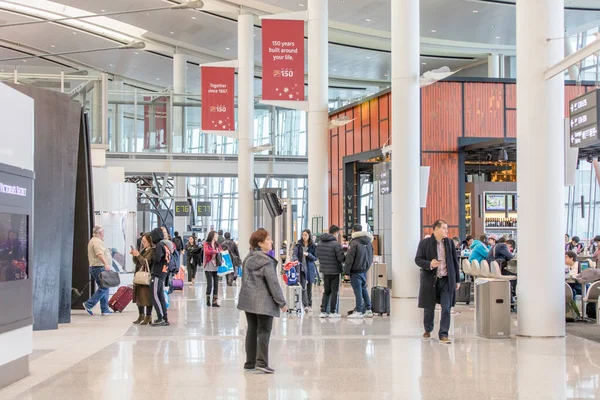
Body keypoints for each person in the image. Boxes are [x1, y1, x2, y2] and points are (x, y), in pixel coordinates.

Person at [237, 228, 287, 374]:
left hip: (248, 301)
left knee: (252, 330)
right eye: (268, 240)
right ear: (260, 243)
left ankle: (250, 362)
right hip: (263, 301)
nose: (271, 242)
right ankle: (262, 362)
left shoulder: (248, 258)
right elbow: (273, 284)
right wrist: (282, 303)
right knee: (264, 330)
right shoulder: (266, 261)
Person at [415, 220, 461, 344]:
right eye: (444, 228)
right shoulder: (425, 243)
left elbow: (454, 262)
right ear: (436, 229)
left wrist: (457, 279)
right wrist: (429, 264)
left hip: (446, 280)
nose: (446, 231)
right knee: (429, 307)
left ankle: (443, 334)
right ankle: (428, 329)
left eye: (447, 228)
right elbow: (418, 260)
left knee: (446, 307)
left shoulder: (450, 243)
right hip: (430, 280)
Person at [343, 224, 374, 319]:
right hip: (364, 270)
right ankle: (368, 309)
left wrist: (346, 272)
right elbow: (371, 256)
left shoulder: (354, 242)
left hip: (355, 270)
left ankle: (359, 310)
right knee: (363, 289)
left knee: (358, 291)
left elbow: (350, 258)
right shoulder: (368, 242)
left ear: (353, 231)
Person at [83, 226, 114, 316]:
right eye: (103, 232)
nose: (104, 233)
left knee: (105, 287)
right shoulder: (97, 242)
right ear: (100, 233)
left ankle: (105, 309)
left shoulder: (95, 241)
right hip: (99, 267)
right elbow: (99, 254)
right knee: (104, 287)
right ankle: (88, 304)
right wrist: (106, 264)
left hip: (98, 267)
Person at [316, 225, 345, 318]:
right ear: (336, 233)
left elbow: (318, 255)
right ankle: (333, 311)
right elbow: (340, 258)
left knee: (326, 291)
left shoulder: (320, 243)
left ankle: (323, 311)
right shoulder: (336, 244)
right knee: (334, 292)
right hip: (335, 271)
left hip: (325, 271)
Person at [131, 233, 154, 325]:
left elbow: (146, 262)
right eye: (142, 241)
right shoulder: (144, 249)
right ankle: (141, 315)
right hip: (139, 275)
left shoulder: (152, 250)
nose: (143, 243)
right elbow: (136, 261)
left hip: (145, 276)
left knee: (147, 297)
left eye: (145, 241)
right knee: (139, 296)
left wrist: (139, 255)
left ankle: (148, 316)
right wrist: (135, 255)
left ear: (149, 241)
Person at [149, 227, 169, 326]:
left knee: (154, 295)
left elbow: (157, 258)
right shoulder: (165, 245)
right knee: (160, 296)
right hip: (163, 272)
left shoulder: (159, 245)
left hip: (157, 273)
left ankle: (160, 317)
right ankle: (164, 317)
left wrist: (153, 253)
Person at [295, 229, 318, 312]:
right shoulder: (298, 245)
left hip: (310, 268)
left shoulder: (313, 246)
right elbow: (295, 254)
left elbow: (315, 258)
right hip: (301, 268)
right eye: (303, 235)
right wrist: (296, 260)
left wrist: (308, 254)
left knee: (309, 287)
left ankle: (310, 304)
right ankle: (305, 305)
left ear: (309, 236)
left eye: (306, 235)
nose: (304, 237)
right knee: (303, 286)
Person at [204, 231, 222, 307]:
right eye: (216, 235)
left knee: (216, 284)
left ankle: (215, 301)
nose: (217, 237)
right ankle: (207, 299)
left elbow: (221, 251)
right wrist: (215, 251)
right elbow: (207, 252)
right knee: (210, 284)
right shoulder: (206, 244)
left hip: (216, 266)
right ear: (212, 236)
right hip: (208, 266)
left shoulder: (217, 245)